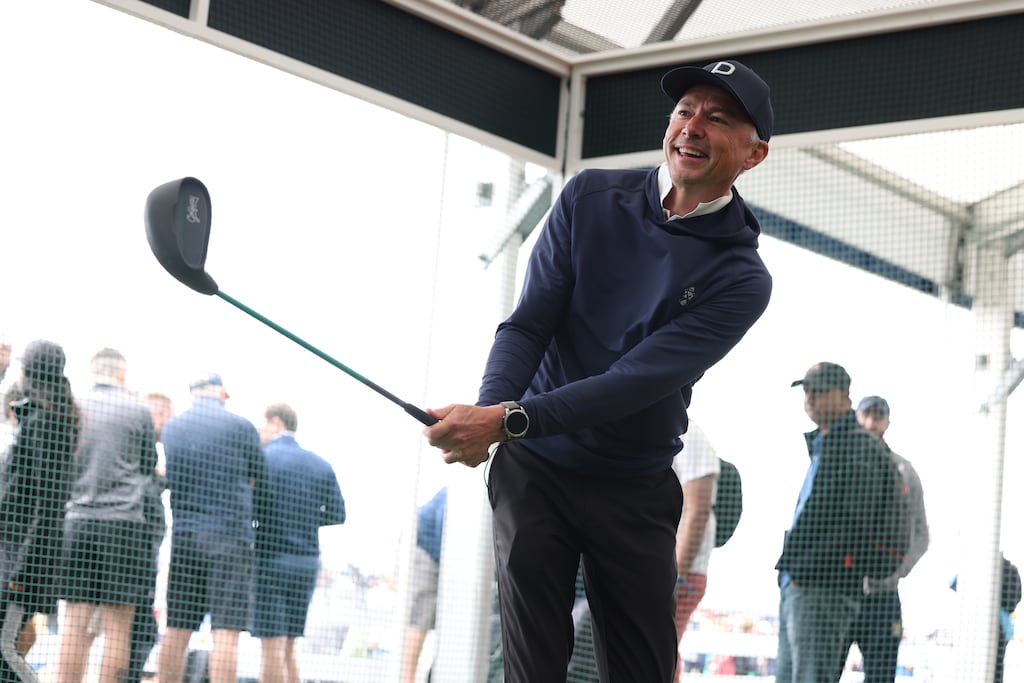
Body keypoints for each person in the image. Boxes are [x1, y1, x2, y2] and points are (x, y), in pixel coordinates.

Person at [424, 58, 774, 683]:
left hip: (633, 485)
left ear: (754, 154)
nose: (692, 127)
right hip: (535, 469)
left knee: (641, 669)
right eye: (683, 111)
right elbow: (528, 324)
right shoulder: (588, 195)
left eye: (717, 119)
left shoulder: (743, 279)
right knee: (532, 666)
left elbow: (633, 383)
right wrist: (491, 414)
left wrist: (503, 420)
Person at [775, 362, 891, 683]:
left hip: (823, 586)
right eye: (807, 390)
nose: (810, 398)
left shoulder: (858, 446)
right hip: (801, 583)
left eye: (820, 390)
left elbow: (857, 525)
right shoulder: (827, 443)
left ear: (845, 395)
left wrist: (802, 570)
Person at [56, 348, 158, 683]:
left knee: (74, 619)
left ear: (92, 371)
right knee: (119, 623)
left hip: (77, 520)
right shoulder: (138, 409)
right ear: (121, 374)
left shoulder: (73, 407)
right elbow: (147, 467)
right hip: (123, 524)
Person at [158, 373, 266, 683]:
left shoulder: (173, 426)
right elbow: (261, 480)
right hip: (230, 539)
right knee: (226, 634)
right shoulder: (241, 426)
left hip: (185, 537)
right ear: (219, 392)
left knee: (176, 630)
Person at [0, 340, 80, 683]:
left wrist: (21, 570)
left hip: (21, 562)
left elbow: (47, 503)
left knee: (5, 650)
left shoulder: (45, 422)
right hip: (16, 556)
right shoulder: (43, 416)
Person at [253, 403, 345, 683]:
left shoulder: (262, 459)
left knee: (271, 647)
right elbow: (338, 514)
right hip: (306, 564)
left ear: (275, 423)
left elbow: (249, 505)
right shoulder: (320, 464)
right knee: (289, 647)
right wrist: (304, 520)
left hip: (271, 560)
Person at [838, 395, 929, 682]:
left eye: (878, 416)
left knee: (880, 677)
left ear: (887, 422)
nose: (871, 421)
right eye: (866, 414)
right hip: (839, 590)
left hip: (883, 597)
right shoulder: (838, 462)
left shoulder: (904, 470)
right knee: (823, 671)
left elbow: (921, 534)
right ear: (857, 417)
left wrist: (893, 572)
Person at [121, 392, 174, 683]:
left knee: (141, 627)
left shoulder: (157, 452)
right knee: (131, 626)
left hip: (146, 551)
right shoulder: (135, 446)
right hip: (132, 547)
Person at [950, 553, 1022, 683]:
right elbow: (1015, 598)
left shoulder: (974, 567)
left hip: (979, 624)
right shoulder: (1009, 569)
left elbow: (952, 583)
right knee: (995, 668)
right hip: (1000, 626)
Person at [399, 487, 446, 683]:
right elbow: (444, 532)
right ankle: (407, 678)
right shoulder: (464, 493)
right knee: (420, 617)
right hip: (423, 548)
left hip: (438, 554)